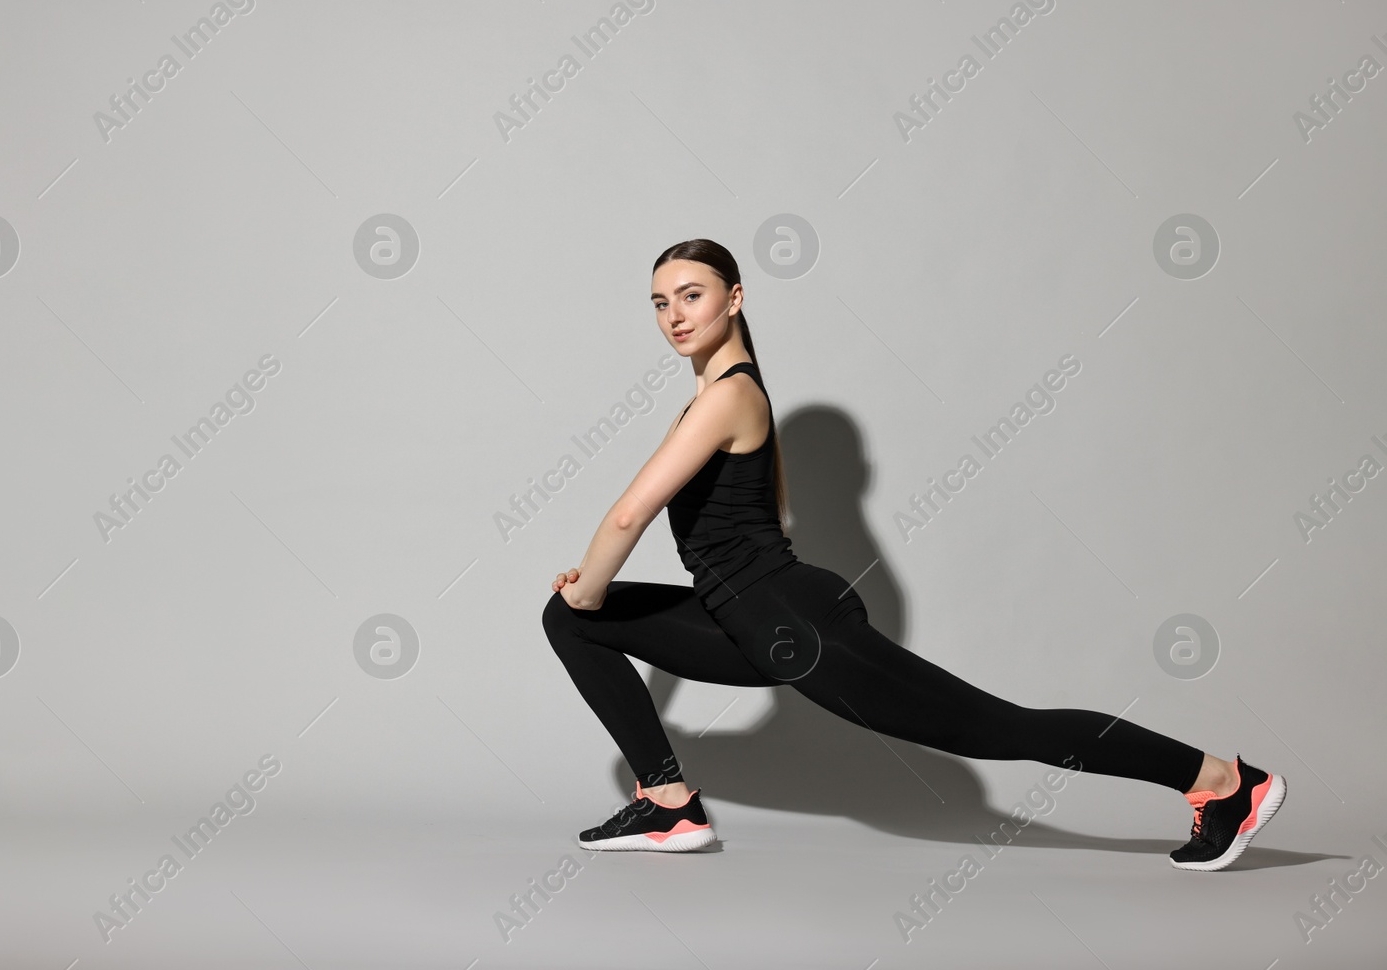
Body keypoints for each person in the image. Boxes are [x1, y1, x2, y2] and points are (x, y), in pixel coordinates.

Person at [540, 238, 1285, 870]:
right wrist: (586, 603)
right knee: (569, 620)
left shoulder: (728, 397)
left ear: (734, 298)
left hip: (794, 628)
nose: (674, 315)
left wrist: (590, 587)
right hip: (753, 620)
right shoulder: (720, 395)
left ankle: (1224, 780)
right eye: (661, 302)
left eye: (691, 295)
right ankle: (667, 802)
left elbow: (629, 514)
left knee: (1004, 728)